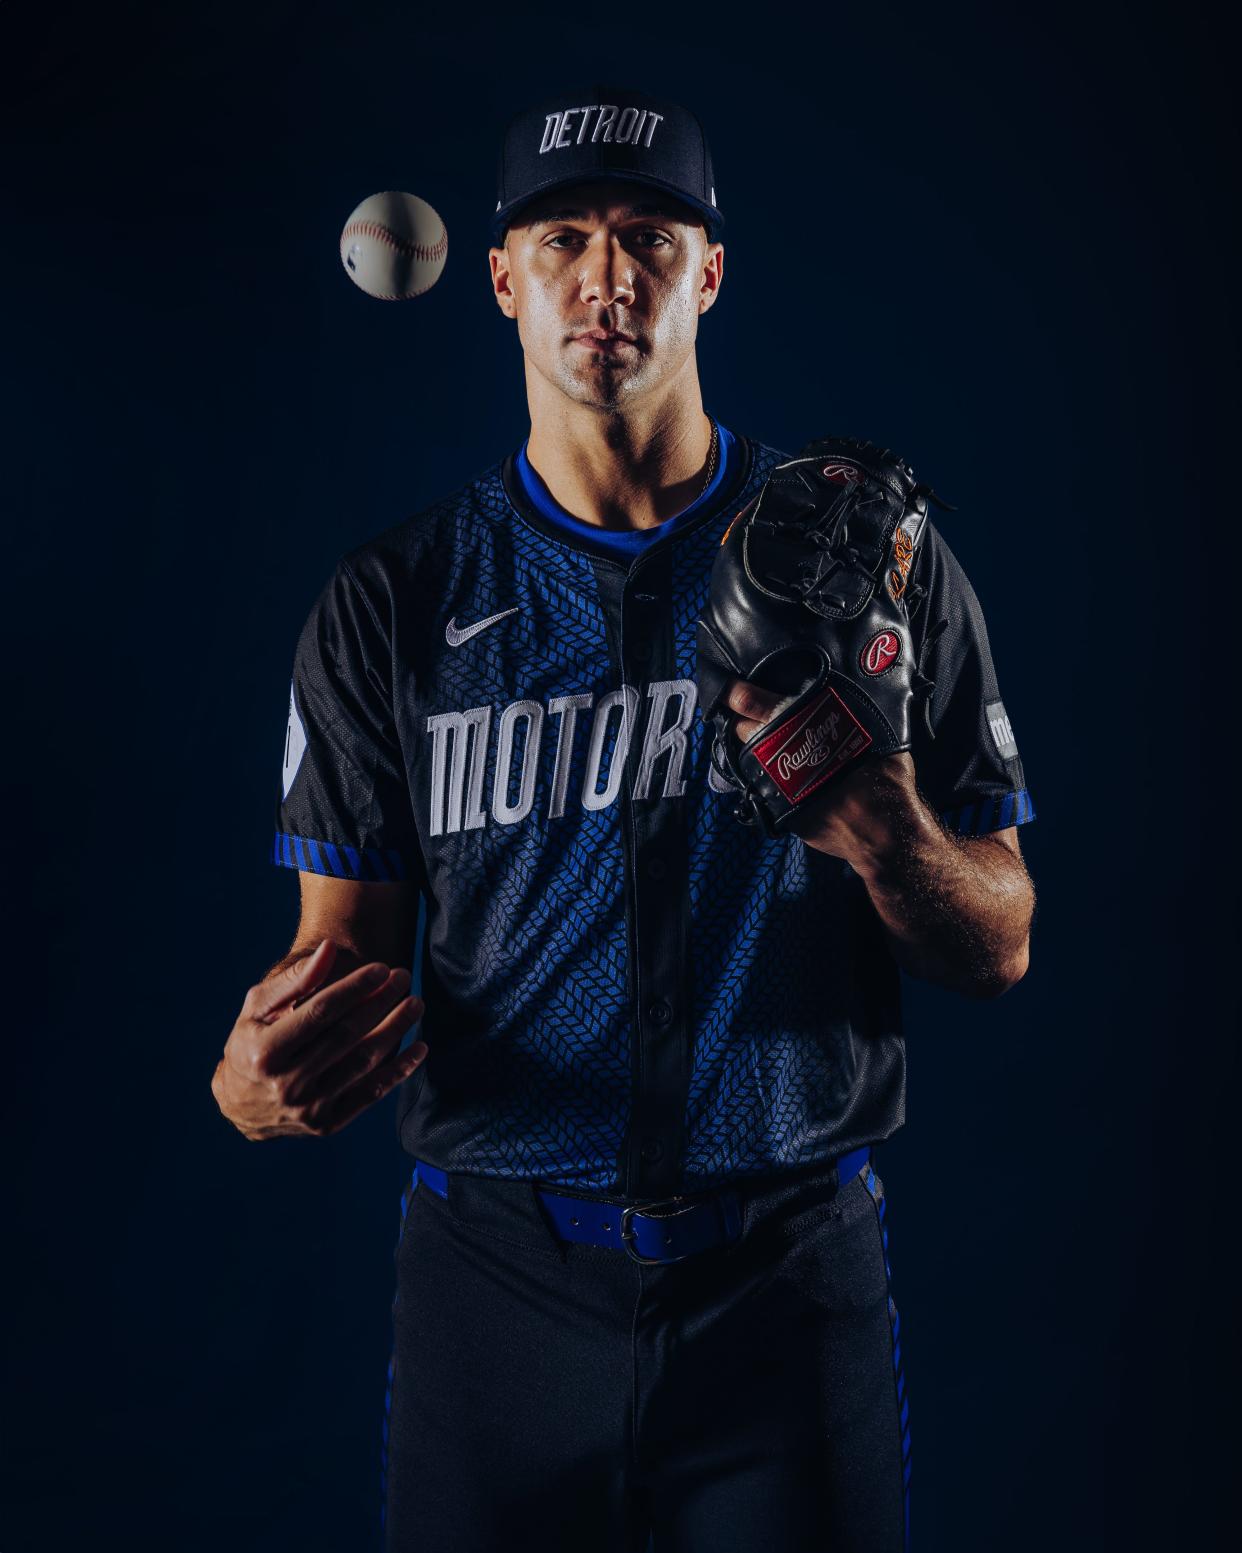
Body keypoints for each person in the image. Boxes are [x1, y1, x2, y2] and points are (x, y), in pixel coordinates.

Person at [211, 84, 1037, 1553]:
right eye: (565, 235)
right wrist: (255, 1081)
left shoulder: (863, 567)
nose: (607, 273)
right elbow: (333, 981)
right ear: (503, 282)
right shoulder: (390, 605)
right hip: (495, 1288)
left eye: (649, 236)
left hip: (787, 1275)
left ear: (706, 273)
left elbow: (999, 940)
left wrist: (882, 825)